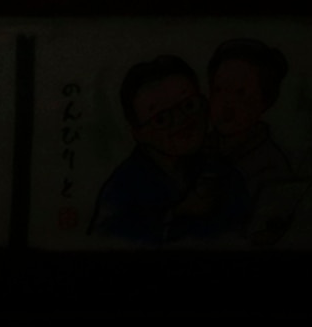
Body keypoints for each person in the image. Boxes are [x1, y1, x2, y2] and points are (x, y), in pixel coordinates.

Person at [90, 56, 228, 244]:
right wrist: (178, 213)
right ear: (138, 133)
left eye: (189, 105)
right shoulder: (122, 189)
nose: (181, 120)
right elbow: (106, 240)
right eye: (161, 119)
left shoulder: (218, 168)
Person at [204, 38, 303, 245]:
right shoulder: (198, 149)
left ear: (265, 101)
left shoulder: (271, 166)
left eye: (240, 93)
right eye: (218, 90)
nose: (226, 103)